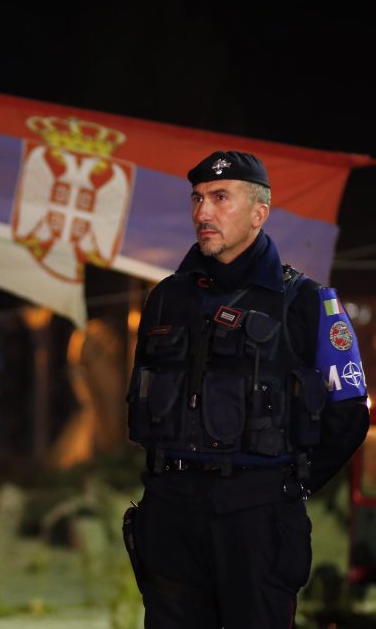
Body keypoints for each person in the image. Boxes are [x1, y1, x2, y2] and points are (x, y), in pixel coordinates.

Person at [124, 150, 369, 628]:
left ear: (260, 212)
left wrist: (285, 484)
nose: (203, 212)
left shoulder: (306, 301)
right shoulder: (165, 299)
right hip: (170, 510)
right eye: (197, 199)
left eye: (220, 198)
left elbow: (348, 413)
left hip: (255, 516)